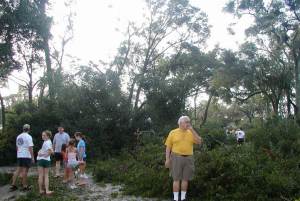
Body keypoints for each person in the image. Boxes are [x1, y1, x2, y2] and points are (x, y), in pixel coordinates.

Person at [165, 116, 203, 201]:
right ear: (180, 123)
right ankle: (175, 199)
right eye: (186, 122)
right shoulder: (173, 132)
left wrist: (192, 130)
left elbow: (199, 142)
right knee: (176, 179)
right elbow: (168, 147)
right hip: (176, 157)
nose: (188, 123)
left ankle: (182, 198)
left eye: (189, 122)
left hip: (189, 158)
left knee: (185, 179)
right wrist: (167, 159)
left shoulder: (191, 132)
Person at [10, 124, 35, 191]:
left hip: (19, 155)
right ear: (29, 129)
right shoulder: (29, 137)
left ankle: (13, 185)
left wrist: (19, 153)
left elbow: (17, 147)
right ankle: (25, 186)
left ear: (23, 129)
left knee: (18, 170)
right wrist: (32, 157)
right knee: (25, 171)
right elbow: (30, 148)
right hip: (26, 156)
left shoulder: (18, 136)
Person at [37, 130, 54, 195]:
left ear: (48, 136)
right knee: (46, 175)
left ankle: (41, 190)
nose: (42, 136)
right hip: (46, 160)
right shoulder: (47, 142)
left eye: (44, 135)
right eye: (42, 135)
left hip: (42, 160)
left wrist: (42, 155)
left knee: (41, 175)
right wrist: (41, 152)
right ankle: (46, 190)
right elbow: (51, 151)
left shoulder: (47, 142)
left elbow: (50, 152)